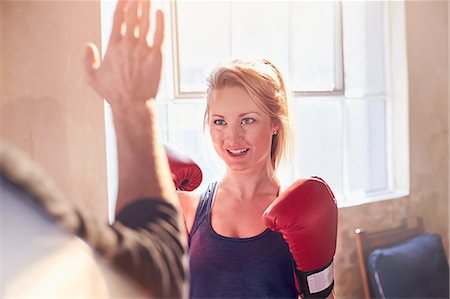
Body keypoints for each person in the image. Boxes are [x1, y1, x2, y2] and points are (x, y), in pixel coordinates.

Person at [178, 59, 337, 299]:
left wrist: (319, 284)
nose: (232, 137)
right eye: (219, 121)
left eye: (248, 120)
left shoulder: (300, 213)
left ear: (274, 122)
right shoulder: (189, 208)